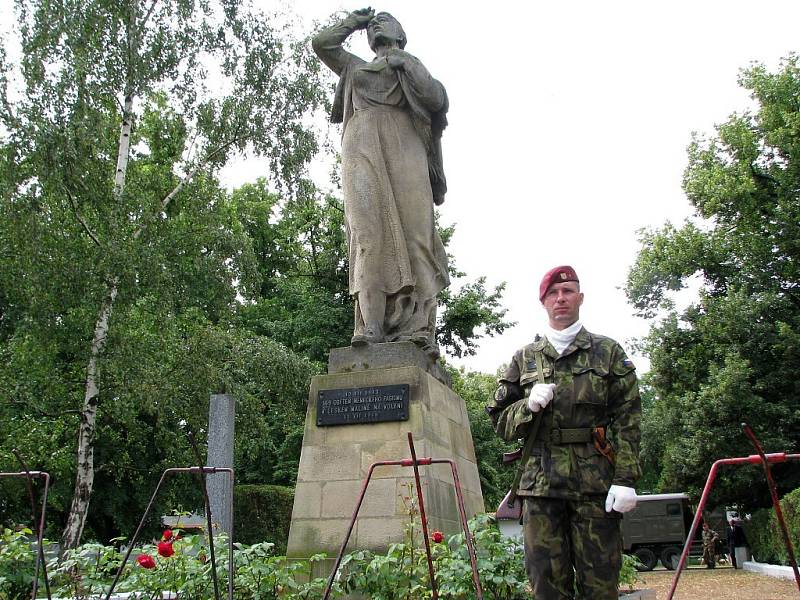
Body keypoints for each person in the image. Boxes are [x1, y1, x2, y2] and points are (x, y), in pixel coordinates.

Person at [486, 265, 641, 600]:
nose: (561, 298)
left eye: (568, 291)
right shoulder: (524, 358)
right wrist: (527, 406)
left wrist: (626, 479)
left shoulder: (608, 352)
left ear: (580, 298)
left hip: (595, 484)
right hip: (541, 486)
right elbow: (498, 420)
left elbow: (629, 418)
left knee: (600, 583)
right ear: (543, 302)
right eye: (553, 294)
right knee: (546, 585)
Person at [312, 8, 450, 357]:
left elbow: (435, 98)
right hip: (361, 148)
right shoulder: (354, 67)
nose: (376, 24)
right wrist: (354, 22)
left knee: (416, 235)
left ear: (401, 33)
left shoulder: (410, 65)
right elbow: (321, 43)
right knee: (367, 236)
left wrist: (403, 59)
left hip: (405, 146)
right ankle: (370, 325)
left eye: (384, 20)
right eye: (374, 23)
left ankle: (419, 328)